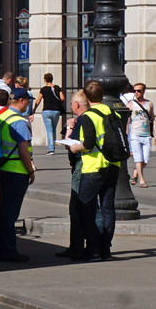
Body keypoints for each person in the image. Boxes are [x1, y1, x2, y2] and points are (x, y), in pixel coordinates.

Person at [75, 79, 121, 261]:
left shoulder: (88, 116)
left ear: (86, 97)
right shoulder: (113, 113)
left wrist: (75, 147)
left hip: (94, 166)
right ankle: (105, 248)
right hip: (113, 165)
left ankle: (92, 248)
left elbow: (88, 143)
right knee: (108, 207)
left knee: (84, 206)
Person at [0, 87, 36, 262]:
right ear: (21, 101)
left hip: (2, 168)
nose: (28, 104)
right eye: (28, 101)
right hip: (17, 170)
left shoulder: (1, 117)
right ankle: (9, 252)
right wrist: (31, 171)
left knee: (3, 211)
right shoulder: (19, 121)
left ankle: (3, 249)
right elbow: (24, 151)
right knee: (10, 214)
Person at [55, 91, 90, 260]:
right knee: (91, 207)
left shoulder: (82, 120)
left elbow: (70, 144)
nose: (70, 106)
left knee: (76, 207)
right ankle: (94, 246)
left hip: (81, 166)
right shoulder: (91, 117)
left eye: (71, 103)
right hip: (91, 167)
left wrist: (69, 128)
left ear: (77, 104)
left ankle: (77, 247)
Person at [127, 83, 156, 188]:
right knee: (138, 158)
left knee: (146, 158)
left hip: (146, 134)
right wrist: (127, 134)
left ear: (144, 91)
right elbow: (127, 121)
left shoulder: (149, 103)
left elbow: (153, 119)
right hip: (135, 134)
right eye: (134, 90)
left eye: (139, 91)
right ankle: (141, 180)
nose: (136, 93)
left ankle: (136, 172)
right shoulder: (131, 104)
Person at [33, 73, 66, 155]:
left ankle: (51, 149)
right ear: (52, 79)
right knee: (54, 129)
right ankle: (53, 146)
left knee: (49, 130)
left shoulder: (43, 89)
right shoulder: (57, 87)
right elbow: (62, 98)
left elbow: (38, 101)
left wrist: (34, 109)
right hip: (56, 111)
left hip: (46, 111)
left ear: (45, 80)